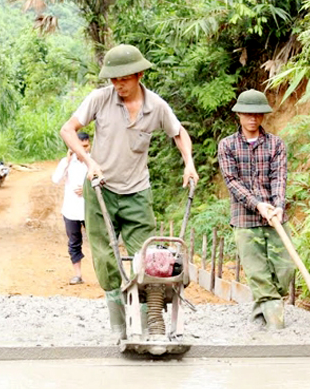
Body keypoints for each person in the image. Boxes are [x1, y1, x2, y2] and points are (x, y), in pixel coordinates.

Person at [59, 44, 199, 340]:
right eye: (113, 79)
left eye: (123, 78)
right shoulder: (100, 99)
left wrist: (189, 163)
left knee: (147, 258)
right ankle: (119, 325)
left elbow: (179, 133)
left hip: (137, 193)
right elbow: (68, 130)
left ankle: (151, 326)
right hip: (101, 191)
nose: (117, 84)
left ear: (139, 74)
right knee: (106, 257)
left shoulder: (156, 106)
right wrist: (89, 161)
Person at [217, 89, 295, 330]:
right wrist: (258, 204)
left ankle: (258, 316)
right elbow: (232, 182)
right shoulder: (227, 145)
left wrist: (278, 206)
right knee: (259, 274)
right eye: (248, 114)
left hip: (274, 217)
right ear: (239, 114)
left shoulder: (275, 144)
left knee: (286, 268)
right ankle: (276, 328)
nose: (253, 118)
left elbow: (279, 177)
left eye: (258, 114)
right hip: (245, 220)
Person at [51, 132, 90, 285]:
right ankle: (78, 274)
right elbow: (55, 180)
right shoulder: (66, 162)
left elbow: (103, 181)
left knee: (97, 241)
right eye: (81, 146)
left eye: (86, 146)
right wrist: (67, 160)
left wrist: (87, 190)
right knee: (74, 242)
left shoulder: (93, 161)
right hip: (71, 210)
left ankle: (103, 275)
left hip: (89, 209)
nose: (84, 150)